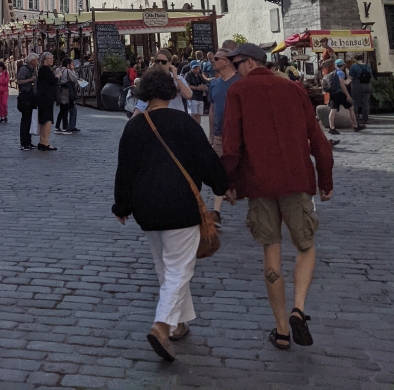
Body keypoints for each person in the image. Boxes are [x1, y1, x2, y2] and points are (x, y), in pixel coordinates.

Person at [221, 42, 333, 352]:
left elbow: (231, 145)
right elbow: (318, 139)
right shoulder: (295, 90)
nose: (233, 67)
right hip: (295, 180)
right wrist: (325, 179)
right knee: (305, 245)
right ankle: (298, 307)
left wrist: (227, 181)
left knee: (271, 249)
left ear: (250, 63)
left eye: (235, 62)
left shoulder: (239, 93)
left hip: (259, 183)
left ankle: (282, 330)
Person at [113, 67, 229, 363]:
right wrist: (223, 185)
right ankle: (162, 324)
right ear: (171, 92)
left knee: (166, 268)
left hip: (146, 208)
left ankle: (178, 323)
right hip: (180, 205)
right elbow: (206, 160)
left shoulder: (135, 126)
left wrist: (122, 206)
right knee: (178, 269)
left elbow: (124, 171)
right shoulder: (184, 123)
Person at [206, 46, 239, 225]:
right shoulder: (214, 83)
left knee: (242, 171)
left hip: (237, 135)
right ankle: (216, 211)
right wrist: (211, 135)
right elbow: (212, 109)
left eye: (216, 59)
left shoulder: (240, 82)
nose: (213, 61)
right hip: (219, 135)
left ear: (226, 62)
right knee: (218, 172)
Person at [327, 59, 359, 133]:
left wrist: (347, 81)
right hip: (340, 93)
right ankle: (355, 125)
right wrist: (348, 95)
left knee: (333, 110)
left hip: (333, 93)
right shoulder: (341, 73)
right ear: (343, 65)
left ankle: (332, 127)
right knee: (350, 108)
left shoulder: (333, 73)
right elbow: (342, 84)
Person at [35, 52, 58, 152]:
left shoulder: (42, 69)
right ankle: (45, 142)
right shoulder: (45, 69)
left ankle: (42, 141)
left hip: (42, 97)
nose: (51, 60)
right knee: (48, 120)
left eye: (52, 58)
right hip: (46, 97)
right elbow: (53, 81)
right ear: (44, 60)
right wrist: (57, 76)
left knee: (43, 119)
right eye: (49, 58)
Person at [16, 53, 38, 150]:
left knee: (29, 120)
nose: (37, 62)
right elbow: (19, 81)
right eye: (36, 60)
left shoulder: (32, 69)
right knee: (25, 120)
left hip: (31, 97)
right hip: (25, 97)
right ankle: (24, 143)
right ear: (32, 61)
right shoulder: (24, 69)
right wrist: (30, 80)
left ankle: (28, 141)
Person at [348, 54, 373, 129]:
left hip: (357, 86)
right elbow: (370, 76)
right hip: (367, 86)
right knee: (365, 103)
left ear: (355, 59)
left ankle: (355, 119)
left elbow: (350, 77)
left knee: (355, 102)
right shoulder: (367, 66)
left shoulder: (354, 67)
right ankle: (366, 119)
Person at [55, 59, 79, 133]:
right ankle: (66, 127)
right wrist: (73, 70)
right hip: (66, 90)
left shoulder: (57, 69)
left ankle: (57, 126)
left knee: (62, 109)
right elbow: (74, 79)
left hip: (59, 90)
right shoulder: (67, 71)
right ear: (68, 64)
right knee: (66, 108)